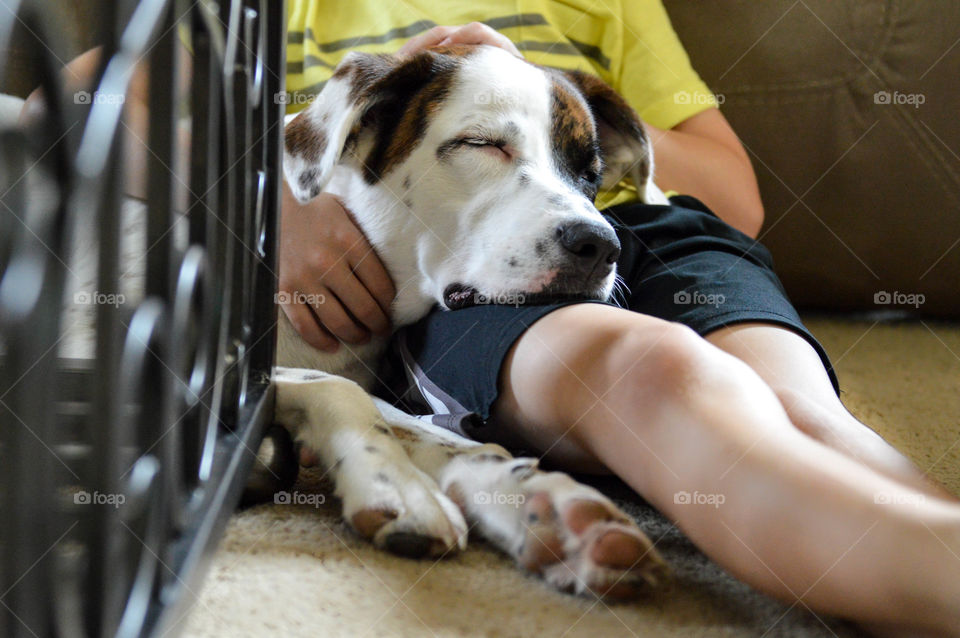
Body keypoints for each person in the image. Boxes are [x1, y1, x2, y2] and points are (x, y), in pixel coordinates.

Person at [279, 3, 960, 636]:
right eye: (487, 142)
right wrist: (271, 195)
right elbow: (176, 122)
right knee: (653, 373)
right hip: (472, 279)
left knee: (808, 412)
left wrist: (540, 96)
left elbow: (733, 197)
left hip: (661, 226)